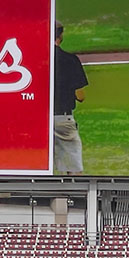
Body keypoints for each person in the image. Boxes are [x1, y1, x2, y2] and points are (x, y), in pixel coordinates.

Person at [53, 21, 88, 175]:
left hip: (38, 120)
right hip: (62, 118)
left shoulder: (35, 59)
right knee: (72, 167)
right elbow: (80, 96)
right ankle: (72, 197)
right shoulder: (70, 60)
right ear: (61, 36)